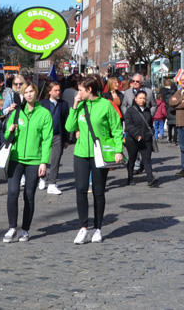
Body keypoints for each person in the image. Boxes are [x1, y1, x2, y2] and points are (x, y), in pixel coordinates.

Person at [65, 76, 124, 244]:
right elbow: (69, 127)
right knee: (81, 189)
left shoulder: (106, 105)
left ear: (89, 90)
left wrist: (118, 150)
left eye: (80, 90)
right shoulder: (80, 106)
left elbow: (117, 129)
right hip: (81, 153)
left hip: (100, 154)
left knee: (98, 191)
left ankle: (98, 228)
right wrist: (74, 106)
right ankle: (83, 227)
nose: (78, 93)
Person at [1, 81, 53, 243]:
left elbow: (47, 140)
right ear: (23, 95)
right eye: (26, 92)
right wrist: (10, 130)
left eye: (31, 91)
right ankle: (12, 227)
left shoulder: (44, 114)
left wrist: (44, 162)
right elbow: (6, 136)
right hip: (15, 158)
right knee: (12, 192)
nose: (29, 94)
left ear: (36, 93)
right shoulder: (17, 112)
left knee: (29, 195)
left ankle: (25, 229)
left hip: (34, 160)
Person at [123, 88, 157, 186]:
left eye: (144, 98)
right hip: (133, 139)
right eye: (140, 98)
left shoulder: (147, 110)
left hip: (146, 139)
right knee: (132, 159)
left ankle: (150, 179)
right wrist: (137, 135)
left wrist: (151, 132)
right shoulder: (130, 110)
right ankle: (130, 178)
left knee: (147, 159)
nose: (142, 100)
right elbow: (129, 125)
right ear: (136, 99)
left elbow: (150, 124)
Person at [40, 81, 69, 195]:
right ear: (50, 92)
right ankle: (42, 177)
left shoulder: (64, 104)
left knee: (56, 160)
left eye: (59, 90)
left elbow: (66, 122)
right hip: (44, 135)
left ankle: (52, 184)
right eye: (55, 90)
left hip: (58, 135)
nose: (58, 92)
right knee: (42, 158)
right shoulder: (42, 104)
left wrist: (66, 139)